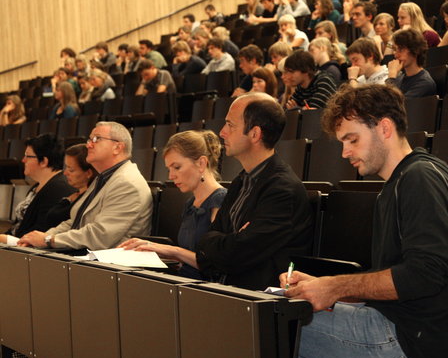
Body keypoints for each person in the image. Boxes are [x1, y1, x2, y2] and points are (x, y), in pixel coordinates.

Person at [281, 83, 448, 358]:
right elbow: (389, 282)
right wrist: (321, 286)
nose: (344, 153)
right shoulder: (398, 183)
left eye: (352, 140)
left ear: (384, 128)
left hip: (407, 341)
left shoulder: (420, 178)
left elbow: (426, 274)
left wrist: (335, 287)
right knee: (286, 310)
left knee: (275, 323)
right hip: (390, 324)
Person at [166, 93, 312, 290]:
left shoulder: (282, 189)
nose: (222, 132)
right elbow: (205, 241)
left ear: (254, 134)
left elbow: (235, 256)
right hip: (232, 293)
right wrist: (228, 240)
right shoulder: (241, 182)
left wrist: (225, 242)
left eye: (230, 125)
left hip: (259, 301)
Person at [18, 122, 153, 251]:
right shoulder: (105, 177)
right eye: (89, 139)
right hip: (86, 256)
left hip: (108, 264)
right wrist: (41, 238)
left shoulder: (127, 183)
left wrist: (49, 240)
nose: (89, 145)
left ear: (118, 147)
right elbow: (75, 221)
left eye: (96, 139)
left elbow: (101, 235)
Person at [119, 130, 227, 280]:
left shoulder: (220, 200)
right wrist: (151, 247)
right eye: (169, 169)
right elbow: (187, 256)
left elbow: (216, 264)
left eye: (176, 167)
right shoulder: (190, 203)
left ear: (201, 163)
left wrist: (173, 251)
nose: (171, 176)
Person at [0, 134, 75, 245]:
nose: (23, 160)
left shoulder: (58, 189)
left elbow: (40, 234)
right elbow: (18, 227)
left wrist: (4, 239)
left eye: (27, 156)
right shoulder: (38, 186)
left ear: (44, 161)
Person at [45, 143, 97, 230]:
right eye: (66, 167)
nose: (65, 173)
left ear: (88, 173)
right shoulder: (74, 194)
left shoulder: (89, 200)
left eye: (71, 170)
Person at [386, 28, 437, 98]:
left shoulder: (424, 83)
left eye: (400, 50)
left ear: (415, 51)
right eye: (395, 49)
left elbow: (396, 106)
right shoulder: (399, 78)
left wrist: (391, 76)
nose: (396, 55)